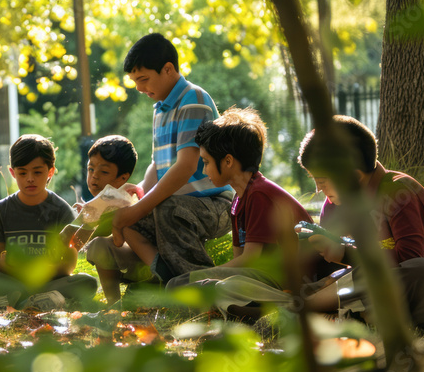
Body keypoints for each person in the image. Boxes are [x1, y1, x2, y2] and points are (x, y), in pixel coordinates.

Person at [298, 115, 424, 327]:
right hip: (380, 289)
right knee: (327, 275)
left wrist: (344, 253)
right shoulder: (333, 207)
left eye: (321, 181)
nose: (318, 190)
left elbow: (408, 259)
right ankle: (336, 307)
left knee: (419, 270)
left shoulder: (398, 192)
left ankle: (315, 307)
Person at [105, 33, 235, 286]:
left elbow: (186, 166)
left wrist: (140, 208)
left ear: (168, 69)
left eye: (143, 79)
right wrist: (140, 193)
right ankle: (166, 278)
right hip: (180, 203)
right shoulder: (160, 109)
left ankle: (204, 286)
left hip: (214, 203)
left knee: (166, 209)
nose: (140, 88)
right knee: (130, 220)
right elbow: (158, 164)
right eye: (135, 81)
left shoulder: (193, 100)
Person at [167, 107, 310, 296]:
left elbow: (249, 260)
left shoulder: (260, 194)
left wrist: (203, 276)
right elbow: (239, 258)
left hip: (290, 280)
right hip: (258, 275)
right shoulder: (239, 199)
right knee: (180, 284)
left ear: (228, 161)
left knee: (191, 285)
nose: (204, 171)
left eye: (207, 162)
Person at [0, 134, 97, 310]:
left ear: (50, 171)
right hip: (14, 279)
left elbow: (69, 264)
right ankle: (35, 300)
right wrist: (12, 266)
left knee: (88, 282)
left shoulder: (61, 209)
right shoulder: (1, 209)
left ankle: (16, 300)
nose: (30, 178)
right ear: (12, 173)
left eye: (37, 172)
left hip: (50, 282)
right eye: (22, 173)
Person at [63, 135, 153, 305]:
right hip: (129, 261)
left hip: (141, 264)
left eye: (103, 172)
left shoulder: (118, 200)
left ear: (122, 178)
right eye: (91, 169)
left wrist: (71, 235)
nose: (94, 176)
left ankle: (113, 304)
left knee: (98, 247)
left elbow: (82, 235)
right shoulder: (110, 199)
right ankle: (115, 304)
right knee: (98, 246)